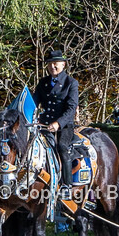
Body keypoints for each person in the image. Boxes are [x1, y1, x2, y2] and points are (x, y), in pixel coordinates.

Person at [33, 48, 79, 193]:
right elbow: (34, 103)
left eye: (56, 63)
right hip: (43, 125)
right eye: (50, 64)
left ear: (63, 64)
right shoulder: (43, 83)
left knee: (62, 147)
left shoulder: (71, 83)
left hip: (64, 126)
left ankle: (66, 184)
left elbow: (71, 108)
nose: (52, 66)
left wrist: (58, 123)